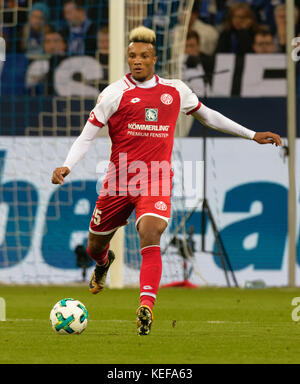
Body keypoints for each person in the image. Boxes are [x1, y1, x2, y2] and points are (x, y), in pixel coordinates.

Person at [51, 26, 282, 336]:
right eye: (132, 56)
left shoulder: (175, 90)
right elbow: (87, 136)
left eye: (144, 56)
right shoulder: (113, 93)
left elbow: (208, 115)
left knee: (151, 231)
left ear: (154, 59)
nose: (137, 61)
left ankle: (146, 305)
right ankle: (104, 263)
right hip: (118, 181)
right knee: (94, 246)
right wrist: (66, 166)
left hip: (156, 179)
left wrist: (252, 134)